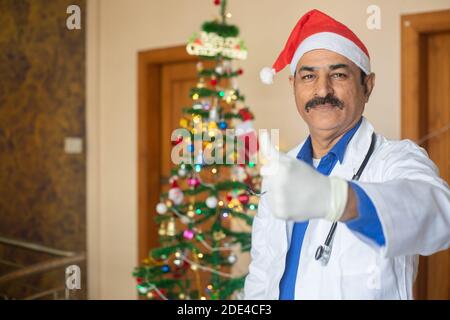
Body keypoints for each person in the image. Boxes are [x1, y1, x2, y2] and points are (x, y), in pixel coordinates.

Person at [244, 9, 450, 300]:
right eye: (308, 76)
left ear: (368, 86)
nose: (322, 89)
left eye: (338, 74)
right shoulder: (283, 168)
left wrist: (340, 199)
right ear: (293, 86)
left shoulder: (395, 158)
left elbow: (440, 214)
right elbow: (263, 271)